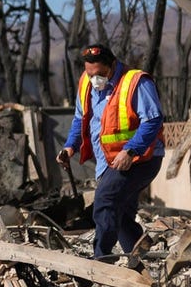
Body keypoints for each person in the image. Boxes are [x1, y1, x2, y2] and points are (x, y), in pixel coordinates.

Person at [56, 43, 165, 259]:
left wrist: (131, 150)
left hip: (141, 159)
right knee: (121, 213)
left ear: (113, 64)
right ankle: (140, 258)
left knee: (105, 199)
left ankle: (101, 259)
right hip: (110, 162)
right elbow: (81, 118)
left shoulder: (135, 82)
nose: (94, 79)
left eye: (100, 74)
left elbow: (153, 120)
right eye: (90, 74)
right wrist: (70, 146)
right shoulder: (86, 84)